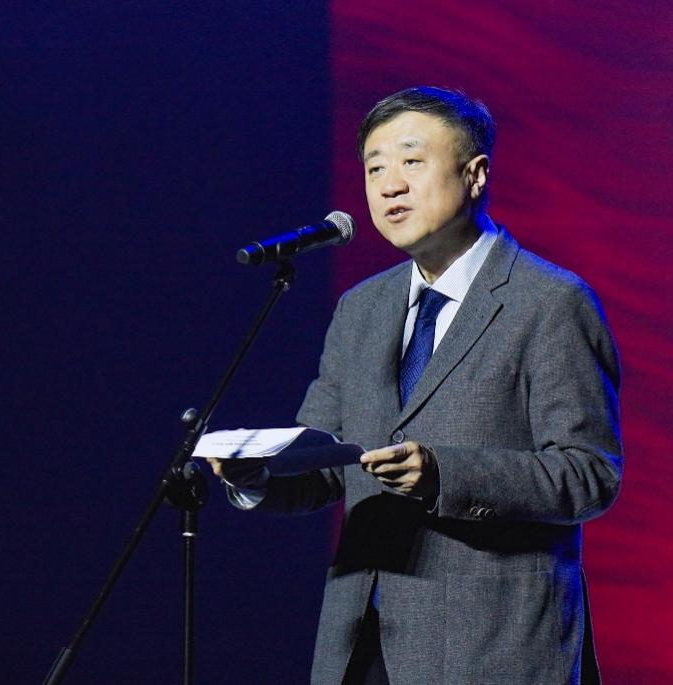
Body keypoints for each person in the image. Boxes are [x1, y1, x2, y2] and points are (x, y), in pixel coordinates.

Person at [210, 86, 623, 685]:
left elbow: (590, 474)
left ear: (475, 175)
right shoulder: (361, 308)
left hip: (494, 649)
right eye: (375, 168)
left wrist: (442, 475)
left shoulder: (550, 301)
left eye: (411, 161)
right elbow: (326, 463)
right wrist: (256, 476)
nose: (389, 185)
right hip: (359, 643)